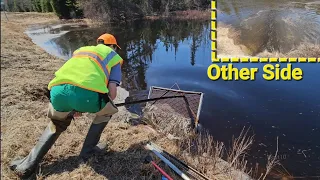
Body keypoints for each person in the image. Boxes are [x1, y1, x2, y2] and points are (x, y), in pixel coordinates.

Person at [9, 33, 124, 179]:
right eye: (115, 47)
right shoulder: (113, 56)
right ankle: (88, 152)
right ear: (112, 46)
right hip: (85, 96)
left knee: (56, 123)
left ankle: (27, 165)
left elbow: (76, 79)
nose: (115, 50)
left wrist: (74, 106)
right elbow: (112, 93)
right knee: (107, 111)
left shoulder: (82, 50)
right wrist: (98, 104)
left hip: (57, 92)